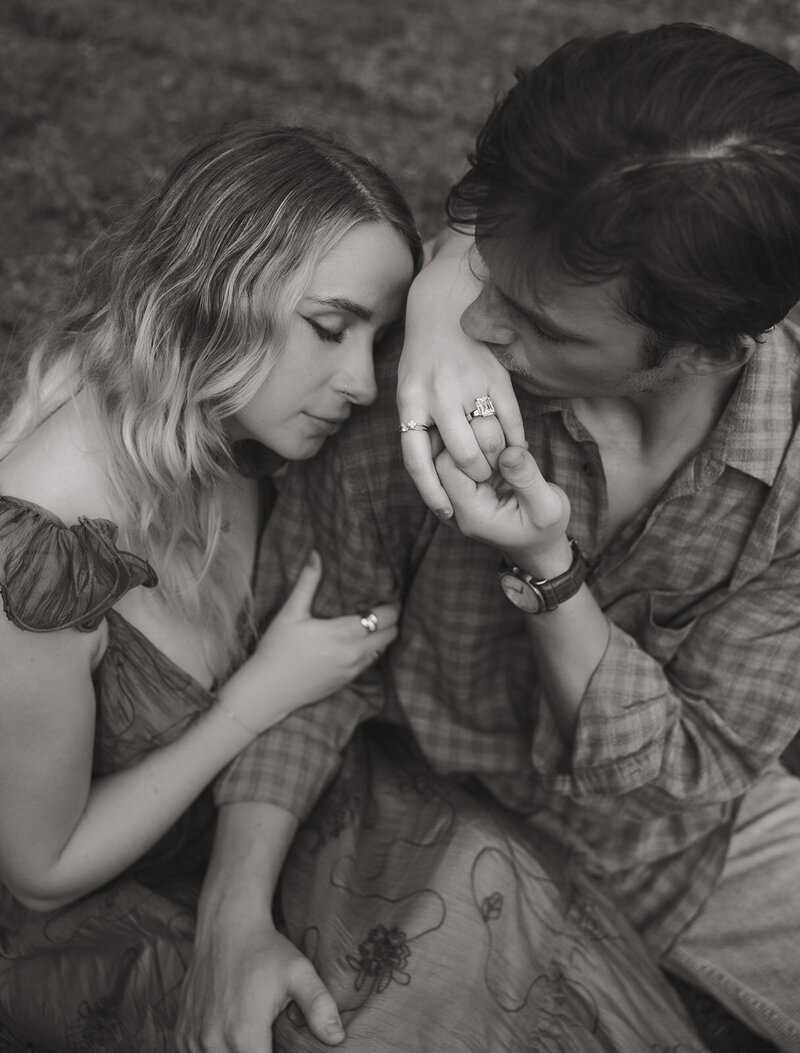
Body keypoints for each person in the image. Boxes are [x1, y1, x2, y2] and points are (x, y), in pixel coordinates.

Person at [170, 21, 800, 1053]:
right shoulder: (412, 393)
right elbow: (319, 656)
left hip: (683, 851)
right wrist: (230, 914)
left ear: (704, 352)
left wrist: (549, 573)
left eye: (542, 327)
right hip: (421, 803)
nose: (483, 332)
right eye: (484, 277)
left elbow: (688, 771)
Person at [0, 122, 420, 1050]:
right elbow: (42, 871)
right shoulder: (38, 557)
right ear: (214, 296)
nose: (361, 380)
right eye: (331, 328)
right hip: (87, 918)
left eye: (379, 337)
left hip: (232, 822)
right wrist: (260, 694)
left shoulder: (227, 426)